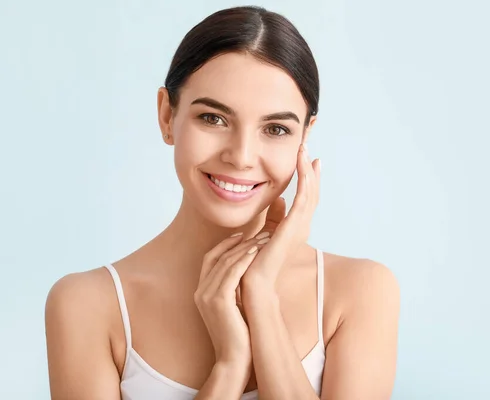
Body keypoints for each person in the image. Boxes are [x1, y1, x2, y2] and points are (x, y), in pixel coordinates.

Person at [45, 5, 400, 400]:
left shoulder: (358, 291)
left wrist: (261, 298)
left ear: (305, 136)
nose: (242, 155)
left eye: (276, 128)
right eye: (214, 118)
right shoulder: (88, 305)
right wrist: (229, 365)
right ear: (167, 115)